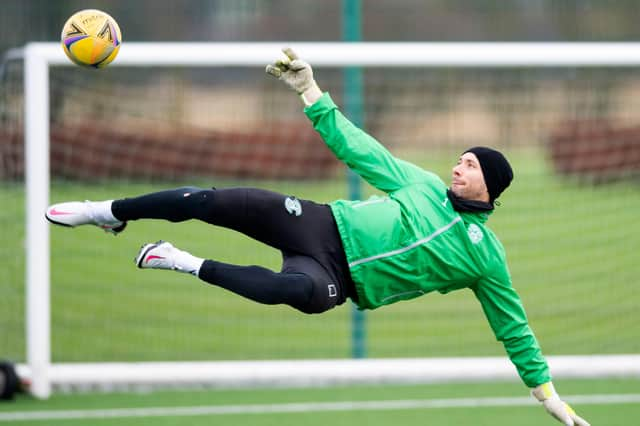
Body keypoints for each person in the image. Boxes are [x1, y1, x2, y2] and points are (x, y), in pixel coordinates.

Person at [45, 48, 589, 426]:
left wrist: (546, 394)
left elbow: (513, 328)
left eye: (469, 164)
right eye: (459, 158)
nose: (457, 166)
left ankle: (181, 262)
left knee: (296, 294)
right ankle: (106, 211)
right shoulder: (420, 183)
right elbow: (359, 148)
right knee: (212, 201)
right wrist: (309, 90)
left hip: (336, 279)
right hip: (320, 222)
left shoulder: (487, 258)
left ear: (489, 185)